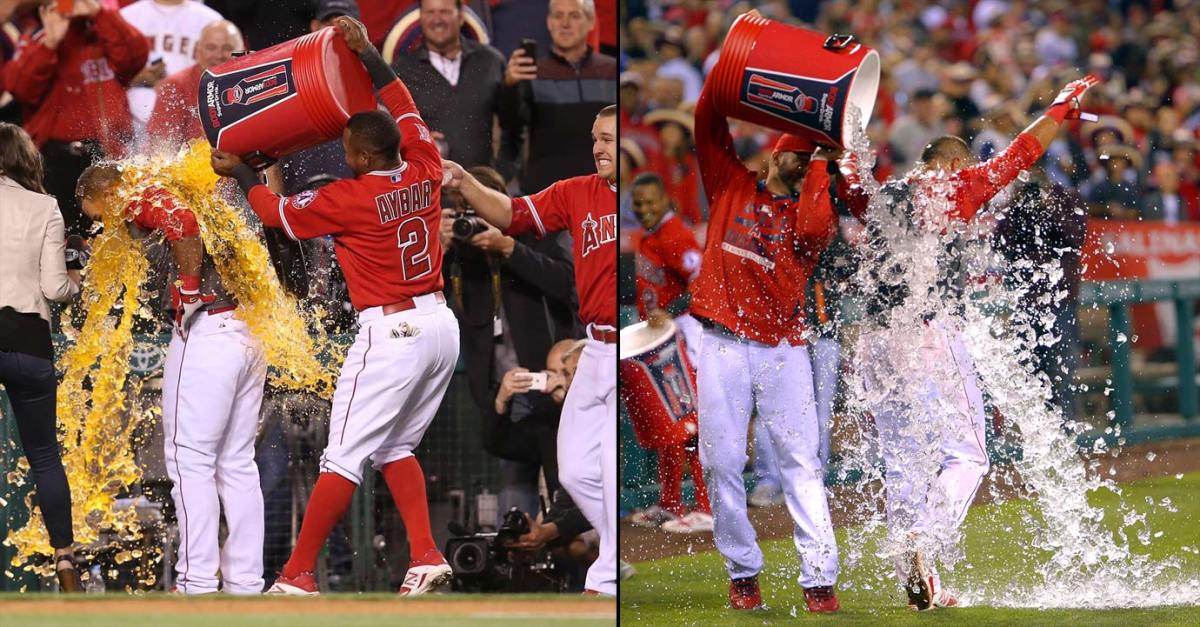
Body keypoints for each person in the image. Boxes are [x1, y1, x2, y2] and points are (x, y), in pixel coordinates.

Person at [211, 16, 458, 596]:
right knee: (395, 446)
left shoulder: (351, 196)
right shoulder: (423, 163)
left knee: (341, 456)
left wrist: (244, 170)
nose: (342, 151)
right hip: (440, 326)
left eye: (350, 148)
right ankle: (425, 554)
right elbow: (402, 102)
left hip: (391, 331)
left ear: (368, 157)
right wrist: (368, 55)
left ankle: (296, 576)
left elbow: (274, 215)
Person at [836, 75, 1102, 611]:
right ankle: (923, 540)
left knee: (902, 460)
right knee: (969, 456)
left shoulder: (887, 193)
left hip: (875, 341)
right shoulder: (954, 187)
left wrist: (835, 132)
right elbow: (1021, 152)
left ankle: (920, 582)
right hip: (928, 332)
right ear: (955, 165)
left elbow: (845, 183)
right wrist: (1059, 107)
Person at [441, 104, 618, 595]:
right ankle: (615, 555)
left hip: (629, 347)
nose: (598, 148)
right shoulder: (577, 192)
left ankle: (605, 580)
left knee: (605, 466)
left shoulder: (640, 202)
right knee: (577, 470)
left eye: (607, 139)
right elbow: (513, 214)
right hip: (597, 350)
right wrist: (464, 183)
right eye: (595, 138)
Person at [688, 60, 841, 613]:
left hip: (783, 349)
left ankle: (819, 578)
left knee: (802, 461)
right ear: (778, 154)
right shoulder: (730, 183)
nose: (807, 167)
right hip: (723, 343)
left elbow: (814, 229)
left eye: (814, 160)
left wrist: (824, 163)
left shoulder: (813, 208)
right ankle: (743, 570)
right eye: (801, 158)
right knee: (721, 463)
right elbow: (706, 119)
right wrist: (730, 70)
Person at [76, 161, 267, 595]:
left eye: (98, 213)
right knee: (236, 463)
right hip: (248, 329)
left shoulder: (138, 190)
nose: (106, 223)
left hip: (211, 332)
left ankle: (197, 581)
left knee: (190, 460)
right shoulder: (185, 184)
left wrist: (188, 286)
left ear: (105, 193)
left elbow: (181, 222)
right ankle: (245, 583)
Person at [440, 165, 578, 522]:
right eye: (463, 211)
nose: (473, 221)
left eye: (479, 209)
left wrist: (508, 247)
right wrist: (438, 249)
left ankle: (582, 570)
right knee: (513, 515)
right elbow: (428, 304)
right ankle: (521, 571)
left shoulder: (537, 232)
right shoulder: (458, 255)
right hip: (505, 400)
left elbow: (567, 284)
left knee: (571, 501)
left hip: (554, 392)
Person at [0, 122, 82, 593]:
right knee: (46, 458)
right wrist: (78, 282)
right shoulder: (46, 207)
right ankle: (66, 561)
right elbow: (55, 289)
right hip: (30, 342)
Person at [3, 0, 150, 235]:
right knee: (53, 236)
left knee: (112, 236)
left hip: (106, 152)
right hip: (52, 159)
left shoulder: (104, 29)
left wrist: (101, 14)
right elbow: (20, 88)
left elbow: (135, 57)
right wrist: (50, 43)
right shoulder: (41, 32)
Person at [499, 0, 617, 193]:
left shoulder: (611, 70)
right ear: (549, 23)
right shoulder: (529, 72)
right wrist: (510, 87)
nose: (565, 24)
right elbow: (512, 126)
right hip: (544, 193)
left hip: (600, 194)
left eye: (574, 16)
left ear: (591, 22)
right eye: (558, 16)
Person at [391, 0, 510, 176]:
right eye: (430, 13)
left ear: (461, 16)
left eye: (444, 12)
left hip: (481, 190)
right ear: (421, 17)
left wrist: (503, 176)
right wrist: (413, 142)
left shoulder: (491, 61)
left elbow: (513, 127)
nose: (437, 20)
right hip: (429, 190)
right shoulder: (401, 71)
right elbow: (386, 134)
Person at [119, 0, 224, 148]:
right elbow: (104, 78)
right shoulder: (126, 17)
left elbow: (221, 75)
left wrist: (174, 84)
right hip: (132, 126)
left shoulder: (210, 20)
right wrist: (137, 78)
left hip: (189, 125)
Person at [145, 20, 244, 149]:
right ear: (197, 52)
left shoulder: (253, 82)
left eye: (227, 48)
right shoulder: (174, 86)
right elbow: (160, 151)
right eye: (211, 47)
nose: (219, 55)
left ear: (242, 53)